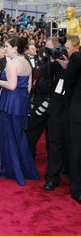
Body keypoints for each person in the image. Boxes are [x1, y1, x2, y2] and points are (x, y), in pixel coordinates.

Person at [0, 37, 39, 186]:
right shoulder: (27, 62)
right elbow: (28, 88)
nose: (5, 48)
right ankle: (27, 170)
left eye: (7, 46)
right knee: (20, 137)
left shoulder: (12, 64)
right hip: (21, 103)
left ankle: (13, 171)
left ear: (15, 48)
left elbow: (12, 85)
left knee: (9, 138)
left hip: (9, 104)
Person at [44, 35, 79, 193]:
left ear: (76, 48)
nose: (65, 50)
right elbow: (49, 78)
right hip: (56, 110)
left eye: (68, 48)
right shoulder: (58, 62)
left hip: (73, 113)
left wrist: (70, 67)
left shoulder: (77, 63)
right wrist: (54, 61)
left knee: (74, 148)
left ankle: (73, 179)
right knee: (55, 145)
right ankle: (52, 177)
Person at [64, 36, 81, 204]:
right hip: (78, 112)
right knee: (77, 151)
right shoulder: (77, 57)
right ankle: (77, 189)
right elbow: (68, 84)